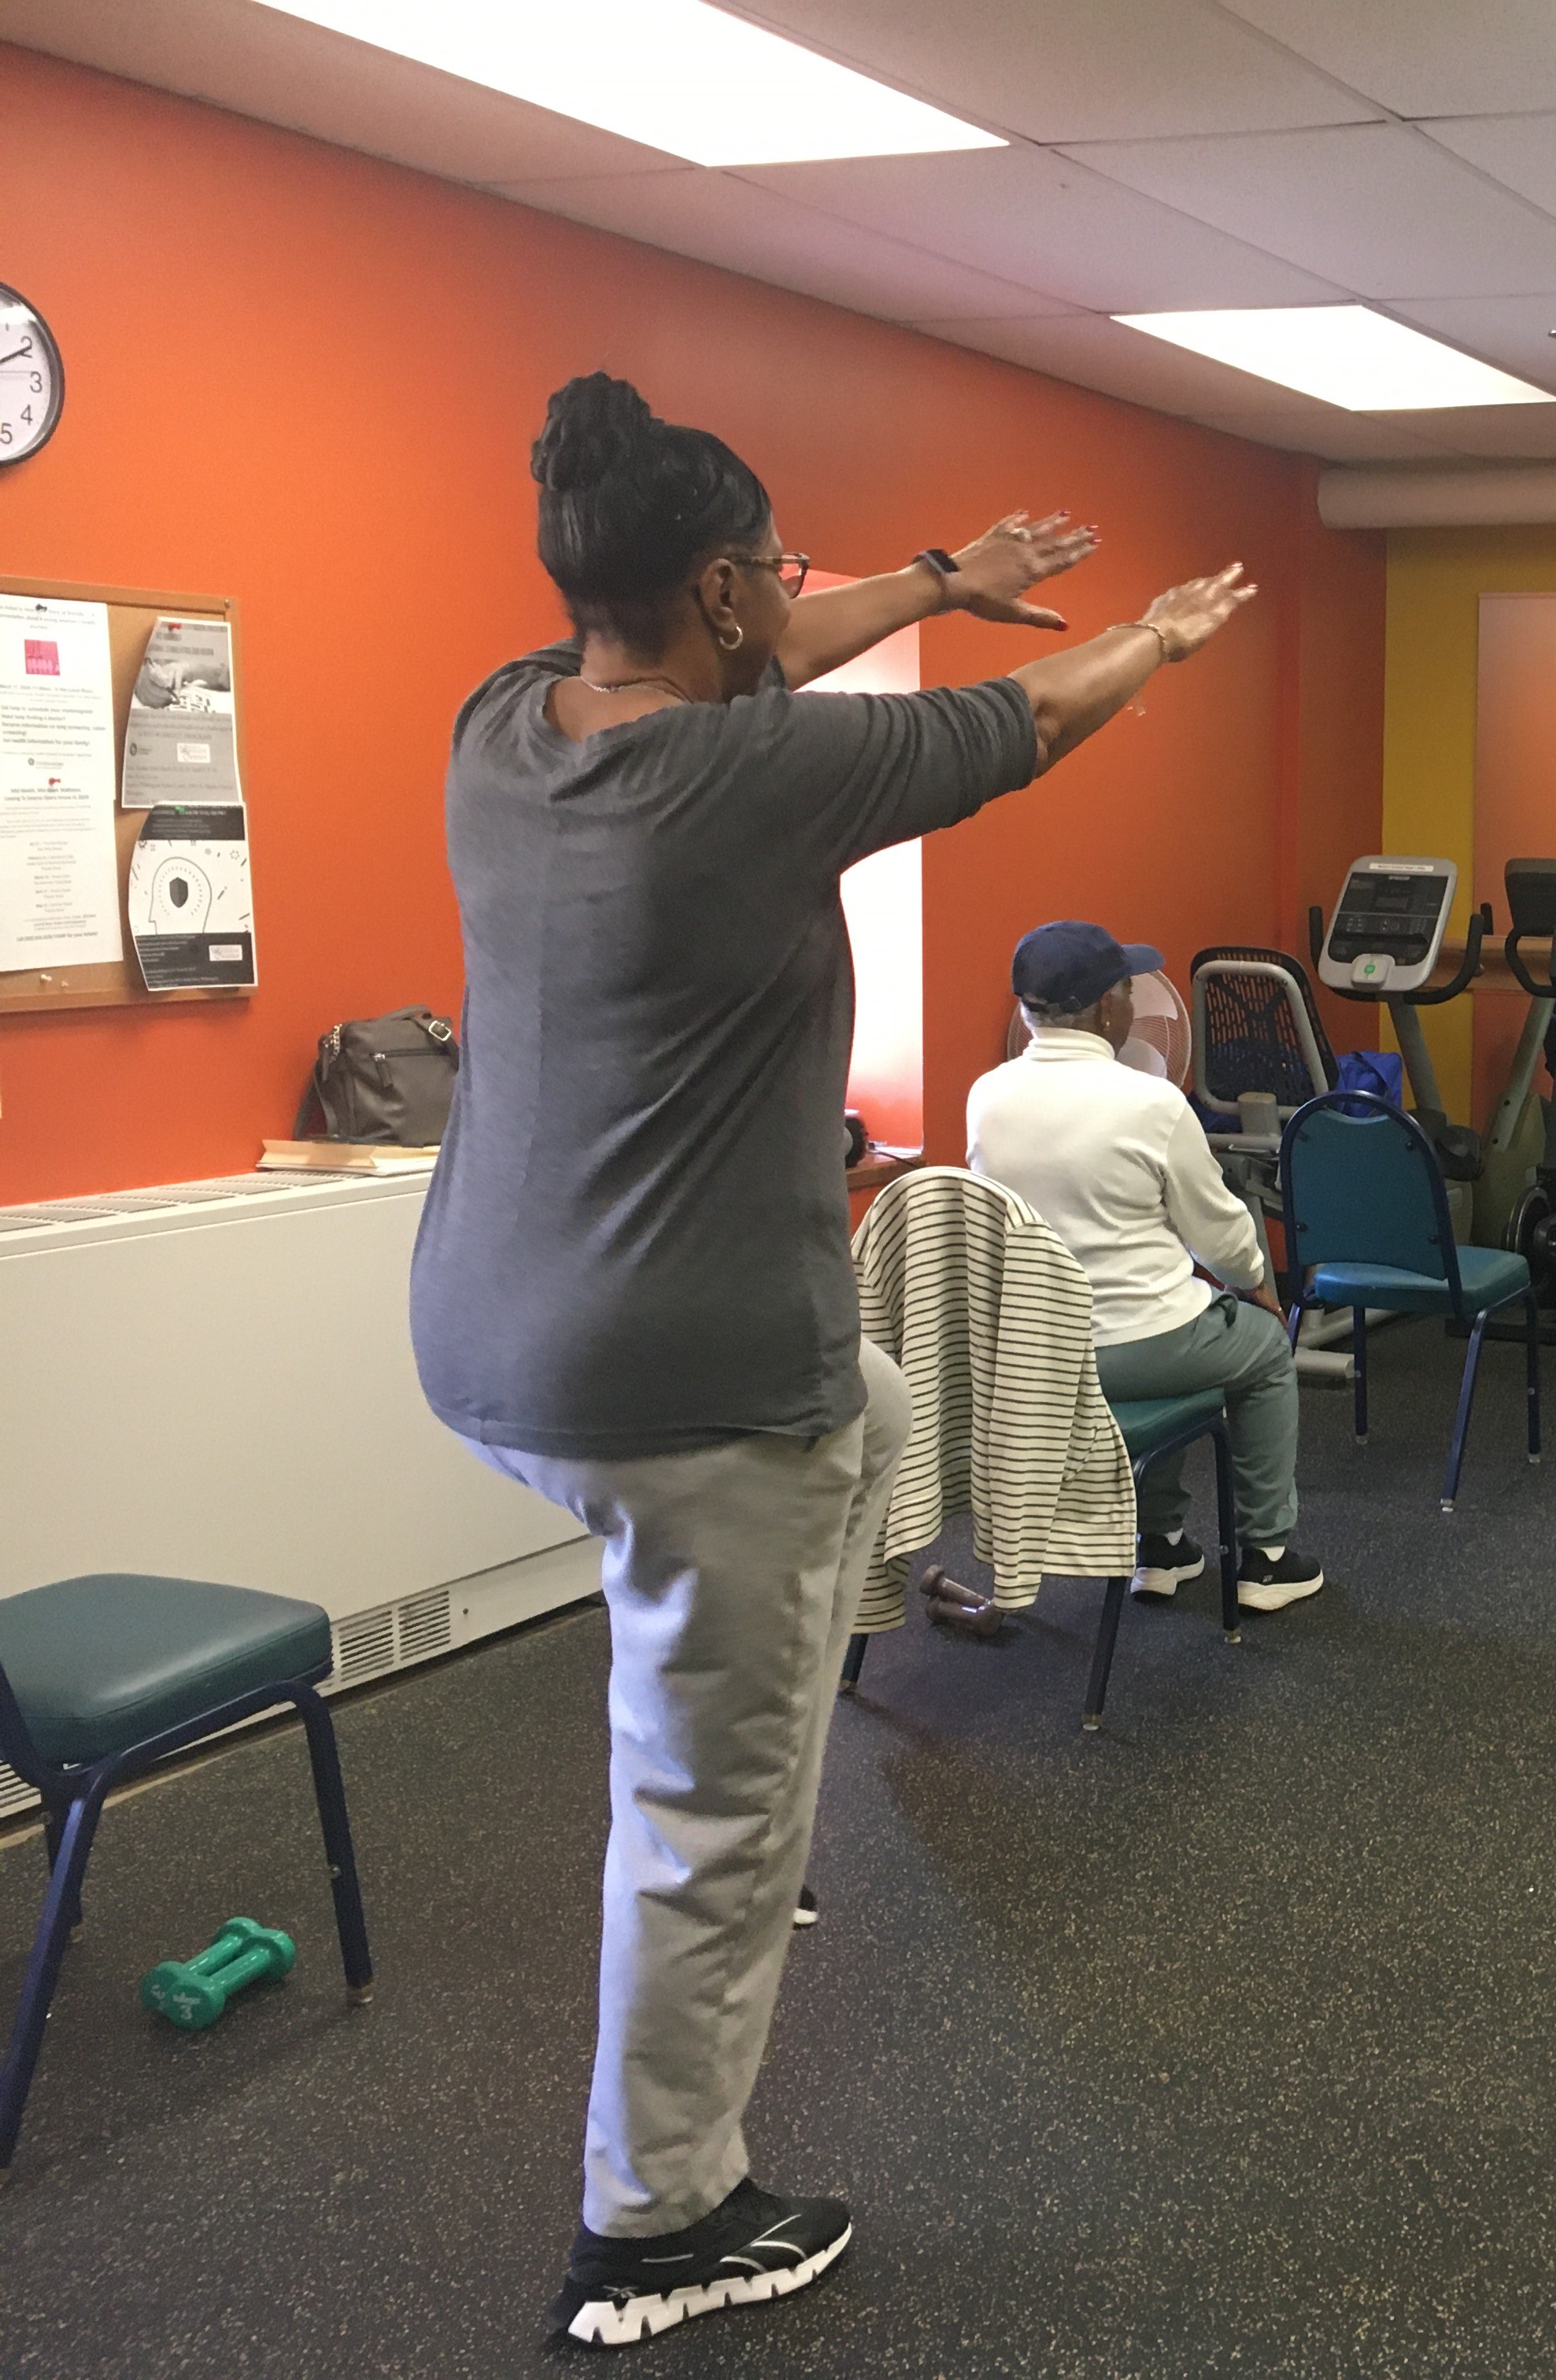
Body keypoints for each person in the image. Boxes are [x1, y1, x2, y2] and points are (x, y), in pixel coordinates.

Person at [408, 371, 1254, 2348]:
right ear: (715, 589)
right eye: (771, 577)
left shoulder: (508, 724)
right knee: (710, 1816)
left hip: (487, 1330)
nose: (795, 598)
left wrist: (944, 572)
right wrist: (1157, 634)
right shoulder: (749, 778)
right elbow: (1018, 726)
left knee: (873, 1412)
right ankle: (658, 2225)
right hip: (684, 1374)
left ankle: (766, 1665)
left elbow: (772, 642)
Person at [967, 920, 1321, 1613]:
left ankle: (1159, 1546)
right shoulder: (1151, 1102)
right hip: (1139, 1345)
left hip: (1040, 1352)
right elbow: (1220, 1232)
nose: (1135, 1003)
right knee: (1264, 1356)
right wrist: (1258, 1288)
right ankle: (1268, 1560)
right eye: (1130, 990)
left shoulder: (987, 1096)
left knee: (1175, 1332)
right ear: (1108, 1009)